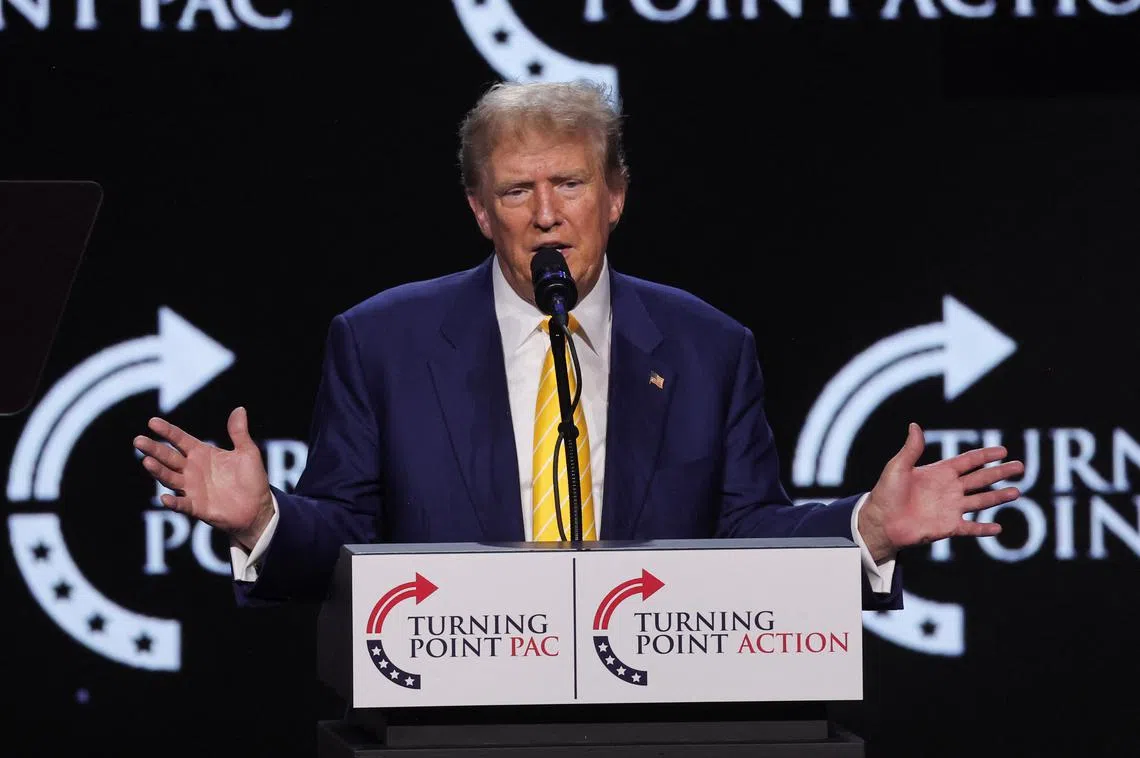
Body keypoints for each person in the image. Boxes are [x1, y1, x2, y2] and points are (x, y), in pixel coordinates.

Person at [132, 80, 1023, 610]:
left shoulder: (709, 347)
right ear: (481, 212)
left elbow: (743, 529)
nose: (548, 214)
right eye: (517, 192)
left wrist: (863, 529)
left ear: (617, 196)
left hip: (660, 711)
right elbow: (353, 540)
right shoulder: (382, 343)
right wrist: (263, 519)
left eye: (570, 183)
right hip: (450, 717)